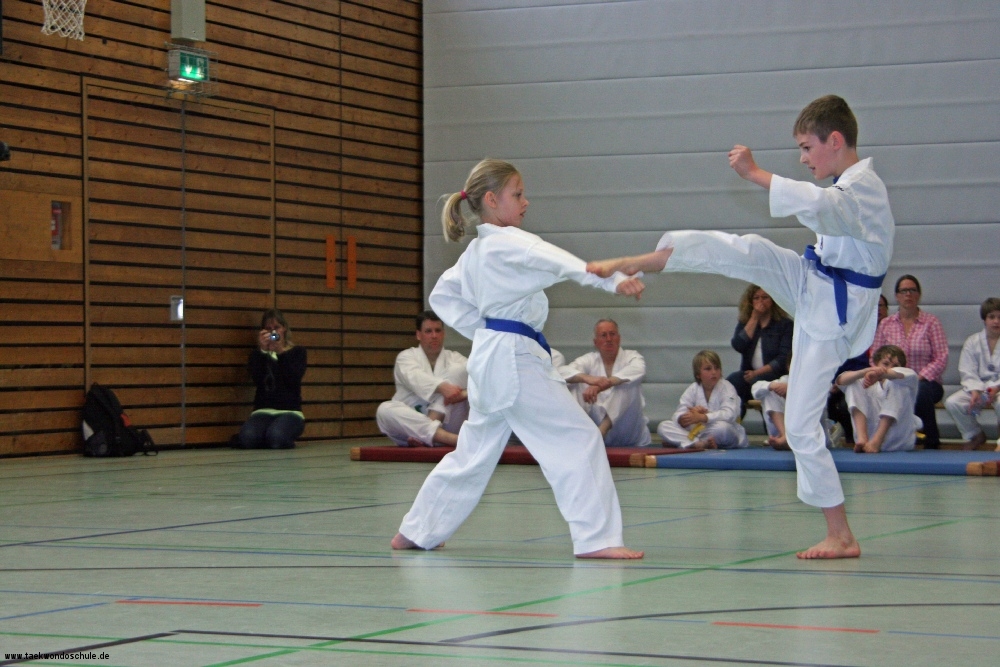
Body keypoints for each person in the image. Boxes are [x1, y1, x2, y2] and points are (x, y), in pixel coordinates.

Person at [588, 95, 892, 559]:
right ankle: (644, 260)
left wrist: (755, 174)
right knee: (748, 250)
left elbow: (820, 205)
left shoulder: (863, 188)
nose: (803, 158)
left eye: (806, 147)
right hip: (817, 287)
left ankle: (841, 535)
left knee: (801, 426)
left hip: (837, 314)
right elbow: (824, 209)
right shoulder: (847, 185)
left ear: (835, 140)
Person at [391, 158, 645, 559]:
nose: (526, 202)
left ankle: (416, 530)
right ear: (492, 200)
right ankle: (598, 539)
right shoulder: (510, 242)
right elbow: (563, 263)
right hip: (513, 360)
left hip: (493, 356)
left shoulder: (478, 250)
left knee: (473, 454)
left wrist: (484, 328)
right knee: (578, 439)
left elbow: (442, 295)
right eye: (518, 194)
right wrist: (614, 281)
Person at [871, 275, 949, 448]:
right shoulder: (886, 324)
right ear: (897, 296)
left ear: (919, 295)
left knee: (920, 392)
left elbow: (941, 357)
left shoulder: (931, 323)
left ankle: (931, 441)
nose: (908, 294)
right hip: (891, 381)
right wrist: (882, 375)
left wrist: (917, 377)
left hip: (926, 382)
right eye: (904, 291)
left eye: (912, 290)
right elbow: (875, 357)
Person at [375, 311, 469, 447]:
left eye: (438, 331)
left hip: (448, 425)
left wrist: (464, 394)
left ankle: (428, 437)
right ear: (418, 335)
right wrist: (442, 387)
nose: (434, 336)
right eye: (428, 331)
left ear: (443, 334)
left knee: (458, 370)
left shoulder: (456, 358)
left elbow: (479, 382)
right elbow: (416, 378)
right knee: (384, 410)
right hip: (412, 428)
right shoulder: (406, 357)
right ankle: (452, 439)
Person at [563, 319, 651, 447]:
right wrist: (587, 378)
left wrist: (604, 384)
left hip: (629, 432)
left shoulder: (632, 356)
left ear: (619, 338)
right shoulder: (589, 359)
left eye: (612, 334)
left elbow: (639, 369)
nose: (609, 339)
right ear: (596, 342)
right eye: (603, 335)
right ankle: (576, 435)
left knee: (627, 382)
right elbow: (561, 372)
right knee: (574, 383)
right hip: (596, 428)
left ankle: (601, 431)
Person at [235, 309, 307, 449]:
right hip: (262, 411)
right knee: (247, 438)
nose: (273, 332)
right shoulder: (257, 355)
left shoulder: (298, 352)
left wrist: (280, 352)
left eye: (276, 328)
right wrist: (263, 351)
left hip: (290, 412)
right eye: (268, 329)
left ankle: (273, 435)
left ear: (284, 328)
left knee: (277, 437)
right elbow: (257, 379)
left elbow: (293, 378)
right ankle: (264, 435)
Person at [828, 294, 890, 445]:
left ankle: (856, 438)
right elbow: (840, 361)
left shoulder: (889, 330)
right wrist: (834, 383)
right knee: (829, 401)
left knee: (847, 401)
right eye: (874, 306)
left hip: (875, 379)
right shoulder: (853, 331)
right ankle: (851, 436)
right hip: (851, 378)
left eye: (880, 306)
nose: (877, 309)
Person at [836, 345, 920, 453]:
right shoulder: (867, 380)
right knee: (853, 383)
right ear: (875, 364)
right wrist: (866, 372)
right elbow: (840, 380)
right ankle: (862, 438)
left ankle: (877, 440)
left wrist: (881, 374)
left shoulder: (909, 376)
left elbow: (896, 374)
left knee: (897, 384)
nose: (889, 368)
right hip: (868, 443)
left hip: (899, 443)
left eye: (895, 365)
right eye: (885, 364)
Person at [658, 350, 748, 449]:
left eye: (717, 368)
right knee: (663, 426)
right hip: (698, 431)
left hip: (721, 430)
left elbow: (729, 414)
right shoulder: (693, 389)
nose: (714, 372)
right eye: (708, 369)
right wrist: (684, 418)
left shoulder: (727, 387)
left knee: (722, 429)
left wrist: (703, 417)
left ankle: (683, 442)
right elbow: (680, 411)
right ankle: (700, 443)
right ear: (698, 374)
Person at [727, 285, 793, 418]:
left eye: (764, 298)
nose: (760, 302)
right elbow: (738, 345)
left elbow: (782, 359)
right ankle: (733, 419)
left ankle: (772, 424)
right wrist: (754, 318)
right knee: (732, 382)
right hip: (749, 373)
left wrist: (757, 373)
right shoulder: (746, 322)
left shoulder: (785, 325)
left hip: (774, 375)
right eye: (756, 298)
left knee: (758, 382)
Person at [944, 297, 1000, 451]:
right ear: (984, 319)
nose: (996, 321)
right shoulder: (972, 341)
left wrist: (996, 388)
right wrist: (975, 390)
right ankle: (975, 434)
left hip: (999, 389)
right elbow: (967, 370)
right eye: (992, 317)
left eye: (999, 317)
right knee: (953, 402)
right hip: (978, 388)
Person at [752, 374, 790, 450]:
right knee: (770, 392)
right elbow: (755, 389)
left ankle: (788, 440)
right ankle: (784, 436)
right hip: (781, 433)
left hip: (806, 431)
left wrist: (791, 390)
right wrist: (772, 385)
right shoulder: (785, 380)